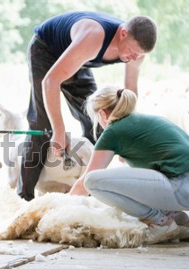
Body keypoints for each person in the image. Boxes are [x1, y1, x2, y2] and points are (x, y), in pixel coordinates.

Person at [18, 11, 157, 201]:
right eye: (132, 52)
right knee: (43, 127)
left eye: (139, 55)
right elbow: (50, 81)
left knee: (102, 123)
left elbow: (129, 93)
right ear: (123, 33)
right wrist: (59, 131)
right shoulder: (94, 37)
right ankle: (24, 198)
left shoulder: (136, 53)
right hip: (46, 51)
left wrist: (126, 138)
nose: (134, 58)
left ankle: (89, 192)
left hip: (79, 61)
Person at [69, 86, 189, 244]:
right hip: (183, 186)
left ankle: (161, 223)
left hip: (181, 187)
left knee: (92, 181)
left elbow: (85, 182)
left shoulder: (114, 130)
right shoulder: (145, 120)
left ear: (102, 113)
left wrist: (58, 208)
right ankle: (180, 220)